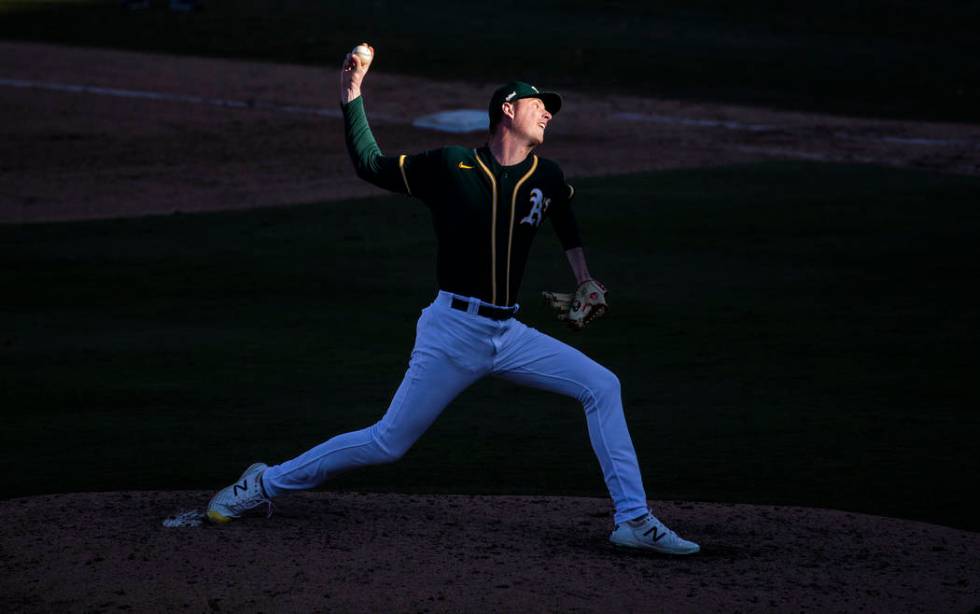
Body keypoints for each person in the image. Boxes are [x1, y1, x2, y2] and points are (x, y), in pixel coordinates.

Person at [206, 46, 700, 556]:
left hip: (509, 335)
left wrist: (584, 278)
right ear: (507, 110)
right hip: (452, 333)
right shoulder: (450, 165)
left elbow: (565, 221)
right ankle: (262, 484)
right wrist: (352, 93)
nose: (547, 112)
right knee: (386, 443)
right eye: (538, 105)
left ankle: (633, 519)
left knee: (602, 385)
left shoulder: (547, 176)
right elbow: (371, 165)